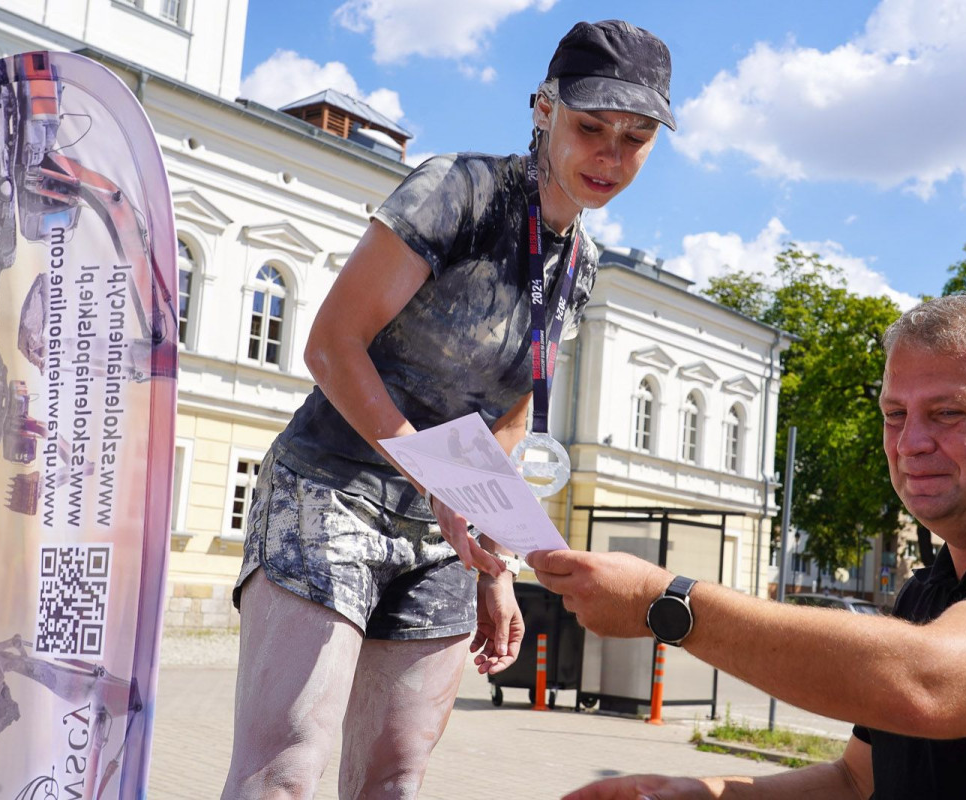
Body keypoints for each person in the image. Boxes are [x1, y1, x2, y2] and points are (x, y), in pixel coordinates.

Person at [220, 19, 676, 800]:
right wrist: (435, 475)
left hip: (444, 531)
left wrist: (494, 567)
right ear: (542, 108)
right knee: (286, 765)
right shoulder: (458, 189)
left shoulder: (582, 262)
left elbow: (510, 411)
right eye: (591, 126)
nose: (610, 154)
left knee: (396, 776)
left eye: (635, 138)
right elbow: (331, 343)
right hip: (328, 488)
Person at [532, 293, 966, 799]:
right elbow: (856, 780)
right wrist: (706, 793)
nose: (910, 443)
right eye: (894, 413)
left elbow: (933, 686)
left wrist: (664, 604)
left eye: (948, 412)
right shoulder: (930, 590)